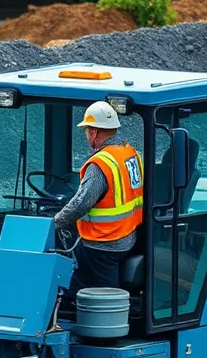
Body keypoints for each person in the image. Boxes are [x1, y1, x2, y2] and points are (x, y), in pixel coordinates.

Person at [53, 101, 144, 297]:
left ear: (94, 132)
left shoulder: (100, 164)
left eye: (87, 131)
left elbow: (81, 203)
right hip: (128, 235)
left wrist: (55, 223)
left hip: (104, 243)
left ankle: (67, 311)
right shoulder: (130, 153)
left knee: (66, 274)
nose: (87, 136)